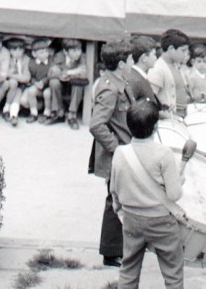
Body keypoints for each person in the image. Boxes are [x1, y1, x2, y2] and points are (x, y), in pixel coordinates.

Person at [109, 100, 185, 289]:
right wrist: (179, 182)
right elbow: (174, 195)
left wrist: (120, 207)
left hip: (132, 219)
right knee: (173, 274)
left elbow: (114, 189)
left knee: (128, 269)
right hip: (161, 222)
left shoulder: (120, 152)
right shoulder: (164, 154)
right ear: (156, 127)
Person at [89, 40, 135, 268]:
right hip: (117, 155)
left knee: (120, 198)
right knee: (114, 200)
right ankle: (111, 252)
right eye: (130, 60)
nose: (132, 63)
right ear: (120, 63)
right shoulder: (109, 88)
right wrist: (117, 149)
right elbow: (97, 124)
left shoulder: (117, 81)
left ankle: (118, 248)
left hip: (124, 151)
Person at [148, 29, 191, 118]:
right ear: (171, 49)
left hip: (183, 115)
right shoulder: (158, 68)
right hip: (170, 119)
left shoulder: (178, 66)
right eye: (183, 50)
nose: (185, 54)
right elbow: (150, 98)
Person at [46, 38, 87, 128]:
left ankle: (72, 116)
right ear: (66, 51)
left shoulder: (83, 56)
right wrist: (75, 72)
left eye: (79, 50)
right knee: (54, 82)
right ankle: (59, 114)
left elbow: (84, 73)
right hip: (62, 85)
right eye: (74, 50)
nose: (77, 53)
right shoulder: (59, 56)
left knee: (78, 83)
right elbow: (52, 72)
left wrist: (67, 73)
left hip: (74, 86)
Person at [21, 37, 53, 124]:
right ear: (34, 54)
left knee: (47, 93)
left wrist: (43, 82)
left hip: (48, 86)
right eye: (41, 52)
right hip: (37, 85)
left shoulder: (51, 61)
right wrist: (35, 83)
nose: (45, 54)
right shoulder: (31, 63)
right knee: (31, 91)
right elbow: (31, 76)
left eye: (46, 51)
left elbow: (51, 75)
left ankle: (47, 113)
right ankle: (33, 113)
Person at [0, 37, 30, 126]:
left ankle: (10, 113)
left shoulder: (26, 59)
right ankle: (12, 114)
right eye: (14, 50)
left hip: (22, 85)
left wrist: (11, 75)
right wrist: (12, 76)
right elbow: (3, 74)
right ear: (9, 51)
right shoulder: (7, 58)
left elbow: (26, 78)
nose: (18, 52)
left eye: (21, 49)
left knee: (18, 91)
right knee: (13, 83)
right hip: (8, 85)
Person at [128, 36, 160, 104]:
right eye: (154, 54)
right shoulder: (135, 80)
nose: (156, 58)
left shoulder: (137, 76)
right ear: (144, 58)